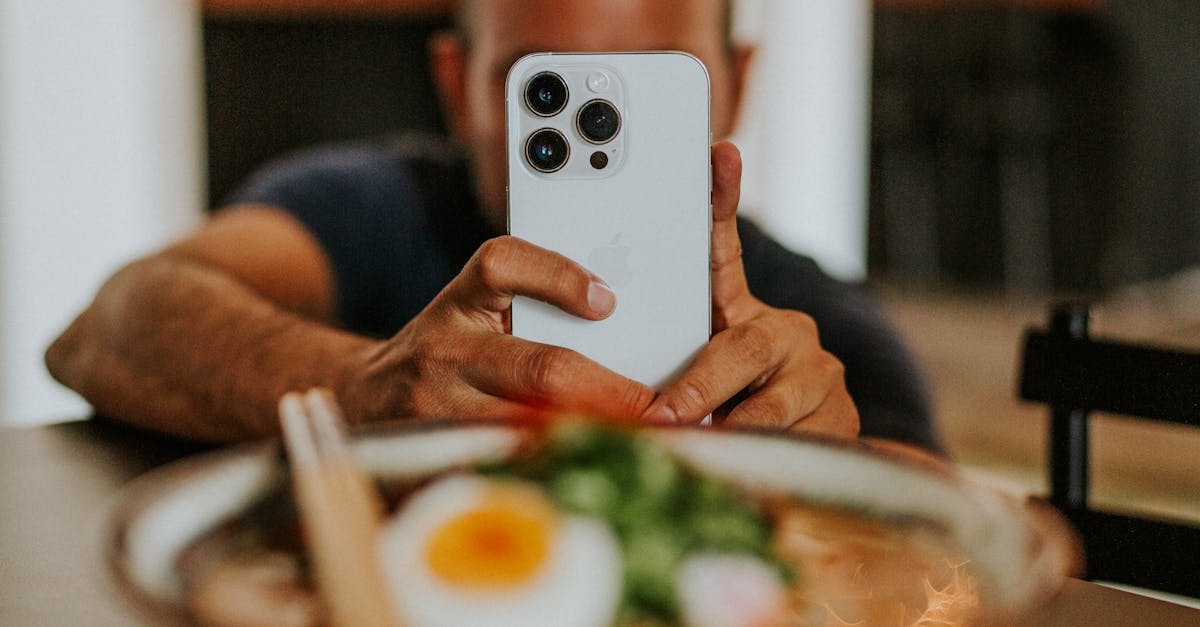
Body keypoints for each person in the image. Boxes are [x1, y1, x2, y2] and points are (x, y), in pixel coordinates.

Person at [45, 0, 940, 452]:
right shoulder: (377, 204)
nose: (603, 137)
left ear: (735, 85)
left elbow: (960, 546)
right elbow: (112, 323)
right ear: (454, 82)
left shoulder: (812, 318)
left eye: (651, 82)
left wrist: (837, 473)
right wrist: (359, 388)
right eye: (543, 91)